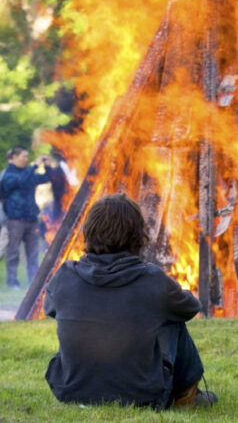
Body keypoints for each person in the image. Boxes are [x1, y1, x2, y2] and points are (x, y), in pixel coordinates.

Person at [44, 194, 217, 408]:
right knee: (173, 320)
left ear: (88, 234)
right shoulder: (152, 279)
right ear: (137, 236)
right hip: (143, 398)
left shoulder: (65, 276)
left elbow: (50, 309)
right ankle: (187, 396)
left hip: (71, 392)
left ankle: (90, 386)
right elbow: (190, 308)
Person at [1, 146, 52, 288]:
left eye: (26, 156)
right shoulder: (8, 174)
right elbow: (20, 181)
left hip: (31, 220)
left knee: (33, 254)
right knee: (13, 252)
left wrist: (46, 167)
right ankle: (12, 282)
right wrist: (35, 166)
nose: (26, 159)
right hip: (15, 220)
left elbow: (45, 178)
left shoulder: (27, 173)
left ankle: (33, 283)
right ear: (14, 158)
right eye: (23, 156)